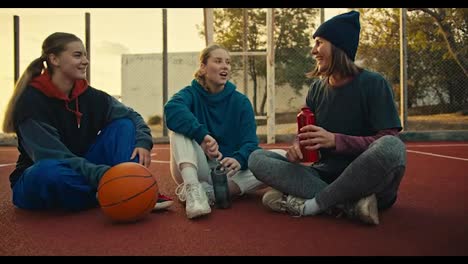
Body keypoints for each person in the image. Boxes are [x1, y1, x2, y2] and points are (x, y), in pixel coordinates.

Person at [248, 11, 407, 225]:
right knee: (257, 158)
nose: (313, 50)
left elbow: (388, 138)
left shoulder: (374, 83)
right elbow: (305, 135)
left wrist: (335, 141)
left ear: (339, 46)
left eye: (319, 43)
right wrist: (298, 146)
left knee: (392, 146)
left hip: (369, 183)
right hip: (323, 176)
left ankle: (313, 204)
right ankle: (349, 206)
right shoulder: (316, 89)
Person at [3, 32, 173, 212]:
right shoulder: (31, 102)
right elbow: (54, 156)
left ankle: (126, 188)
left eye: (85, 55)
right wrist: (107, 175)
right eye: (77, 55)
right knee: (47, 172)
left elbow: (132, 116)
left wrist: (143, 141)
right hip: (45, 175)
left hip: (84, 169)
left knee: (123, 125)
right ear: (54, 59)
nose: (85, 61)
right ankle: (121, 191)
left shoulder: (91, 96)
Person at [164, 44, 268, 219]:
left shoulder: (241, 102)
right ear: (203, 67)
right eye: (218, 61)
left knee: (278, 157)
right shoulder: (190, 94)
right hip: (196, 168)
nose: (225, 66)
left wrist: (239, 158)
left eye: (227, 62)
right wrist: (202, 137)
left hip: (226, 173)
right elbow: (172, 109)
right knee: (179, 130)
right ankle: (193, 190)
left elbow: (250, 142)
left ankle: (211, 193)